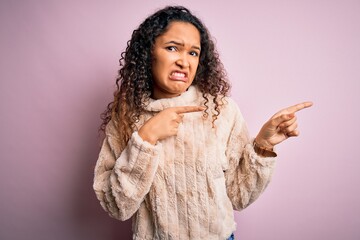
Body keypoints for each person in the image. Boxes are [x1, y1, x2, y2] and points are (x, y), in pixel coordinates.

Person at [93, 6, 312, 240]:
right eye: (172, 48)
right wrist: (145, 139)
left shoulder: (221, 111)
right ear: (149, 53)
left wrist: (263, 146)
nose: (183, 62)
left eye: (193, 53)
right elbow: (117, 206)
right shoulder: (126, 117)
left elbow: (239, 196)